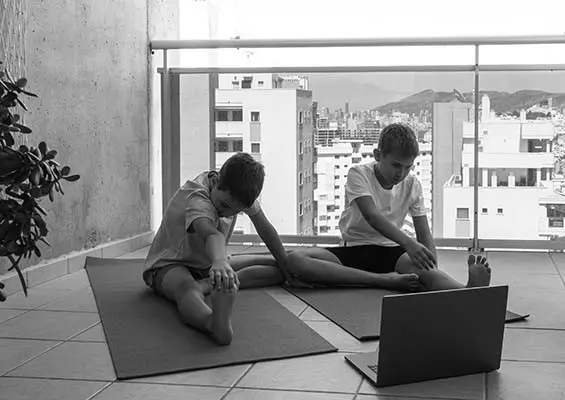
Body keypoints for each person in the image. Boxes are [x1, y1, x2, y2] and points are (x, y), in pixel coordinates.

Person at [286, 123, 491, 292]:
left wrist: (431, 269)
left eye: (408, 167)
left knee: (424, 271)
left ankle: (467, 290)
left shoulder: (412, 184)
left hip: (393, 253)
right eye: (396, 165)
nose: (401, 173)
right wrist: (409, 244)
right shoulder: (358, 174)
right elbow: (372, 216)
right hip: (353, 250)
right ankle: (383, 280)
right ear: (378, 155)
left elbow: (423, 233)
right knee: (296, 259)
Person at [143, 152, 292, 345]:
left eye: (235, 211)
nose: (225, 212)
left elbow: (265, 228)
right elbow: (211, 234)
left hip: (206, 263)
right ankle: (212, 322)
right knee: (186, 288)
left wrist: (285, 264)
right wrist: (220, 261)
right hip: (170, 264)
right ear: (216, 181)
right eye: (224, 205)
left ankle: (208, 284)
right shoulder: (198, 199)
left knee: (276, 268)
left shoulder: (237, 193)